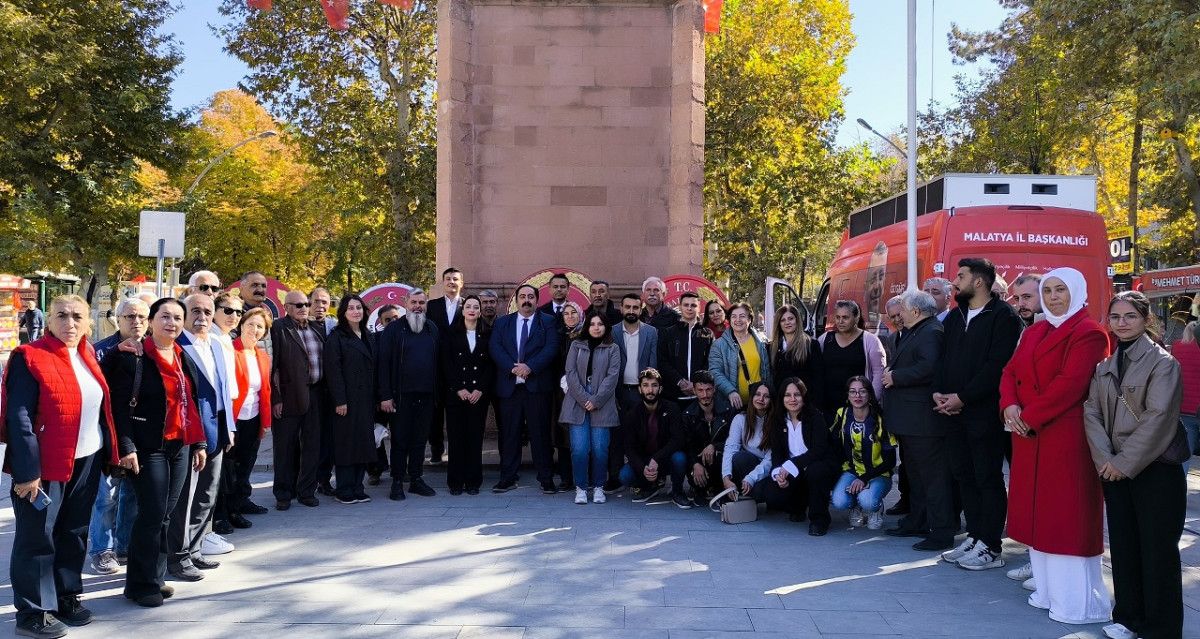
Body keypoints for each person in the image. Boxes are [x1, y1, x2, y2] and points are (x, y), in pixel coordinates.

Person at [999, 267, 1112, 625]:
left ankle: (1077, 604)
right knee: (1039, 517)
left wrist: (1026, 415)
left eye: (1060, 290)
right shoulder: (1037, 330)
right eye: (1048, 291)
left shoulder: (1089, 333)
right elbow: (1009, 373)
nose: (1053, 298)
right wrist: (1010, 406)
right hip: (1031, 434)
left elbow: (1071, 385)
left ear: (1076, 291)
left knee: (1065, 518)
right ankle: (1048, 592)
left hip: (1065, 436)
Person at [2, 295, 119, 635]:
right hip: (44, 466)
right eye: (62, 316)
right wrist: (26, 472)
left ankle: (65, 596)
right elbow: (19, 417)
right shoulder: (29, 357)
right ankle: (32, 613)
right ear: (48, 320)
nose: (70, 323)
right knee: (37, 539)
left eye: (77, 316)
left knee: (73, 533)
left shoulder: (88, 354)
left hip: (87, 459)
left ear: (88, 323)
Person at [1084, 291, 1185, 639]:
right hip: (1112, 467)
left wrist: (1123, 463)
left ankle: (1160, 629)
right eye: (1115, 317)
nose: (1122, 323)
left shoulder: (1163, 363)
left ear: (1146, 320)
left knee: (1157, 550)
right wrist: (1105, 460)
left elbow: (1159, 418)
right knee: (1124, 546)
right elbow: (1092, 412)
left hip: (1154, 469)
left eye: (1130, 316)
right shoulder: (1104, 366)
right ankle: (1127, 617)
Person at [102, 297, 207, 609]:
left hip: (181, 446)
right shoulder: (132, 356)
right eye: (164, 316)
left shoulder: (181, 356)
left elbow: (191, 402)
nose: (171, 323)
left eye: (177, 317)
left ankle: (150, 579)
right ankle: (143, 584)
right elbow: (117, 407)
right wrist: (126, 447)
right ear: (151, 320)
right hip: (149, 448)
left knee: (163, 515)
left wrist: (199, 443)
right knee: (151, 515)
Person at [933, 258, 1022, 571]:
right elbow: (942, 359)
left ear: (980, 281)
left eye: (960, 276)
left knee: (987, 477)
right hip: (952, 413)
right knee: (964, 475)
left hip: (983, 414)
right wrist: (940, 393)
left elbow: (997, 367)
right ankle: (975, 535)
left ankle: (991, 546)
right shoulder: (955, 317)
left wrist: (963, 397)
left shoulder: (1004, 317)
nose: (955, 282)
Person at [168, 294, 236, 582]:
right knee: (186, 497)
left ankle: (195, 549)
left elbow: (222, 391)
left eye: (208, 311)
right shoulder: (177, 348)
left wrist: (229, 427)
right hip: (191, 435)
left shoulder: (217, 345)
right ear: (184, 314)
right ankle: (178, 556)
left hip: (218, 429)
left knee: (207, 495)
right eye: (195, 311)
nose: (203, 316)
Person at [882, 290, 951, 552]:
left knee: (933, 478)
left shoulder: (931, 331)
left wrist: (896, 377)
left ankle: (941, 531)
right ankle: (917, 520)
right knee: (916, 476)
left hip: (923, 421)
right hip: (910, 420)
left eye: (904, 308)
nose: (899, 313)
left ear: (916, 311)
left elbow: (929, 367)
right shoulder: (916, 330)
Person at [86, 297, 148, 575]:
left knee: (132, 493)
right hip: (105, 432)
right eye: (130, 316)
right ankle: (102, 549)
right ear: (118, 319)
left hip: (139, 432)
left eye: (142, 317)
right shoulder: (100, 351)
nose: (136, 322)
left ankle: (123, 545)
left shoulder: (154, 349)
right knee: (105, 496)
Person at [489, 284, 560, 493]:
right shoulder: (503, 323)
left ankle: (546, 478)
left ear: (537, 300)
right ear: (516, 300)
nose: (526, 300)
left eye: (531, 296)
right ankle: (508, 478)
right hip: (510, 389)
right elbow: (495, 347)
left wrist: (530, 367)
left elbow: (551, 348)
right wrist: (514, 369)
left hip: (537, 388)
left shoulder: (547, 321)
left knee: (540, 435)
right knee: (510, 435)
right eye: (523, 297)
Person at [377, 289, 440, 500]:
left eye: (422, 302)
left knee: (420, 440)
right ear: (406, 303)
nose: (418, 306)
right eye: (414, 302)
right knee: (400, 440)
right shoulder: (394, 329)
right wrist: (385, 396)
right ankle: (397, 481)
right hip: (400, 396)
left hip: (427, 395)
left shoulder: (431, 328)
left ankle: (416, 479)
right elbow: (383, 365)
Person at [270, 290, 326, 510]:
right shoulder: (278, 329)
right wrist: (276, 398)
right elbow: (271, 366)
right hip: (288, 395)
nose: (304, 308)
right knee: (285, 447)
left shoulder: (317, 328)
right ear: (287, 307)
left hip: (315, 394)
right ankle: (283, 493)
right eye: (298, 305)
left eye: (306, 304)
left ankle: (307, 491)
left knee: (312, 446)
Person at [763, 378, 839, 535]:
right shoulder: (778, 421)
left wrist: (790, 465)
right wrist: (779, 474)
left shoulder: (815, 417)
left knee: (815, 471)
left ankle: (819, 520)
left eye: (797, 395)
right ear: (781, 398)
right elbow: (777, 453)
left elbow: (819, 450)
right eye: (787, 395)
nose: (792, 399)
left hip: (818, 464)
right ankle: (798, 505)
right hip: (794, 469)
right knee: (772, 495)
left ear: (804, 396)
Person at [559, 313, 621, 504]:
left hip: (602, 402)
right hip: (578, 401)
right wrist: (585, 398)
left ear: (606, 327)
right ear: (587, 326)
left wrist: (596, 400)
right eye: (592, 324)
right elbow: (570, 373)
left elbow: (612, 377)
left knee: (600, 448)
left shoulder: (613, 348)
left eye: (600, 324)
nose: (596, 327)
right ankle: (581, 487)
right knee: (579, 448)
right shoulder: (577, 345)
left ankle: (599, 487)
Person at [323, 294, 377, 505]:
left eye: (358, 307)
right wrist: (340, 400)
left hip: (366, 400)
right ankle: (344, 488)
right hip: (346, 401)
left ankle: (358, 486)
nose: (356, 311)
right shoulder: (337, 337)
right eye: (351, 308)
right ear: (343, 313)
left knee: (363, 443)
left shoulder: (368, 335)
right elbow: (333, 371)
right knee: (346, 444)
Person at [441, 295, 494, 495]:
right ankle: (455, 482)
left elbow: (490, 365)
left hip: (477, 396)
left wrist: (480, 389)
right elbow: (446, 364)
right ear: (462, 311)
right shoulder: (450, 334)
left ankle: (473, 482)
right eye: (468, 306)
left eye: (476, 307)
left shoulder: (487, 334)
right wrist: (458, 388)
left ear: (480, 312)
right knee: (456, 439)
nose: (472, 310)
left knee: (474, 439)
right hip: (456, 396)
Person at [830, 376, 896, 530]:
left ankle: (875, 508)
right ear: (847, 395)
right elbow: (834, 445)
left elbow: (890, 461)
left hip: (878, 474)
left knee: (867, 500)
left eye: (862, 392)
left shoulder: (881, 419)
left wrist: (865, 478)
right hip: (852, 471)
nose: (857, 396)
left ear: (870, 394)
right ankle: (855, 506)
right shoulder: (842, 414)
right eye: (852, 392)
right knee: (839, 501)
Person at [618, 368, 689, 508]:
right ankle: (650, 486)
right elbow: (629, 448)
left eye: (654, 385)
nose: (650, 390)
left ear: (660, 389)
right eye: (645, 385)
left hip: (665, 458)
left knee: (680, 458)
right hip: (645, 461)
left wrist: (656, 458)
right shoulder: (632, 414)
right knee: (625, 476)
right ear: (639, 389)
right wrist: (642, 467)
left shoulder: (672, 408)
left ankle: (677, 492)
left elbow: (678, 439)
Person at [611, 293, 659, 490]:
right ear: (621, 309)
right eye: (627, 307)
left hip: (642, 392)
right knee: (617, 434)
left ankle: (644, 479)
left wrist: (650, 391)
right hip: (619, 390)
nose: (631, 311)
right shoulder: (612, 331)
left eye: (635, 308)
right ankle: (614, 477)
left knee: (644, 434)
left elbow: (654, 363)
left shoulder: (651, 332)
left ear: (641, 309)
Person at [228, 307, 272, 518]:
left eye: (260, 327)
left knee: (247, 462)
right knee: (230, 466)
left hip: (253, 418)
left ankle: (242, 500)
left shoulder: (261, 356)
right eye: (251, 324)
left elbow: (264, 390)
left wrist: (265, 421)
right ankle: (228, 509)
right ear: (241, 325)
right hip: (233, 419)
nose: (255, 330)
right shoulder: (230, 350)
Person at [817, 300, 885, 420]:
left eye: (845, 317)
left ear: (856, 318)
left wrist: (871, 401)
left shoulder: (870, 341)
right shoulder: (825, 339)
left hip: (859, 406)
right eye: (837, 317)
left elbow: (879, 373)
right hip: (828, 406)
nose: (840, 321)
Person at [427, 268, 465, 466]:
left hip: (460, 368)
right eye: (448, 279)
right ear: (443, 282)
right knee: (435, 412)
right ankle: (436, 449)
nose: (452, 282)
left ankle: (456, 449)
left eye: (455, 279)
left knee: (456, 411)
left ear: (462, 282)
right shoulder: (431, 306)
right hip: (436, 367)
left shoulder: (468, 305)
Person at [683, 370, 734, 506]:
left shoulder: (728, 410)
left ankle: (719, 489)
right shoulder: (688, 415)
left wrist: (714, 446)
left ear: (714, 388)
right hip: (699, 461)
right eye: (700, 390)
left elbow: (733, 441)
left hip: (720, 459)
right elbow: (687, 445)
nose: (705, 395)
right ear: (694, 390)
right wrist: (695, 463)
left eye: (708, 390)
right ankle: (699, 489)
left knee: (720, 455)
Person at [710, 302, 772, 411]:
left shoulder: (761, 341)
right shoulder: (719, 344)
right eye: (734, 316)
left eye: (742, 316)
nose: (738, 320)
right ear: (729, 320)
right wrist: (730, 391)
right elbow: (715, 371)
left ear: (749, 319)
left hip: (759, 404)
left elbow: (767, 370)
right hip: (732, 405)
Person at [658, 291, 714, 410]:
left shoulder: (707, 334)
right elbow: (662, 361)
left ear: (699, 308)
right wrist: (680, 381)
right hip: (673, 396)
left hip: (699, 397)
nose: (689, 308)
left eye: (693, 305)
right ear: (680, 307)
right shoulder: (668, 333)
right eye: (686, 305)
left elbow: (710, 361)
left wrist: (695, 383)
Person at [549, 301, 584, 490]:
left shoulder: (587, 336)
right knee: (563, 434)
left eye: (574, 313)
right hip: (561, 394)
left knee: (581, 435)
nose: (570, 316)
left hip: (583, 392)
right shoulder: (558, 336)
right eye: (566, 314)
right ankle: (565, 478)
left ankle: (583, 477)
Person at [366, 304, 401, 485]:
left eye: (396, 318)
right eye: (389, 320)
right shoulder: (374, 340)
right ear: (380, 321)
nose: (393, 322)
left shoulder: (406, 338)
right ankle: (375, 470)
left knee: (400, 436)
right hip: (379, 398)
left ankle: (398, 469)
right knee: (374, 436)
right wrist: (380, 397)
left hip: (401, 397)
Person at [769, 303, 824, 408]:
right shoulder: (772, 347)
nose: (787, 322)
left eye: (790, 318)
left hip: (805, 403)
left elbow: (818, 379)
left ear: (797, 320)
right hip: (780, 404)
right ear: (778, 323)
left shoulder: (811, 345)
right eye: (783, 320)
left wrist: (815, 406)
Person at [1172, 321, 1200, 463]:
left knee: (1184, 454)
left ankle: (1182, 483)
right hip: (1197, 406)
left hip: (1183, 406)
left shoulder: (1176, 346)